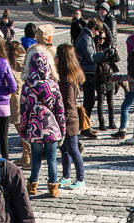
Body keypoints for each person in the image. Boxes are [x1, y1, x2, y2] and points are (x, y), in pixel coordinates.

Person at [20, 51, 66, 198]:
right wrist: (62, 129)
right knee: (52, 158)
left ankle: (33, 185)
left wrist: (23, 129)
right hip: (51, 127)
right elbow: (60, 110)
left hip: (35, 128)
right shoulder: (53, 85)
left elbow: (24, 110)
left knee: (36, 158)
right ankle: (53, 187)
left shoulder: (27, 86)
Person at [56, 43, 86, 190]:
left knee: (73, 148)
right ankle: (66, 175)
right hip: (69, 117)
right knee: (64, 149)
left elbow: (67, 103)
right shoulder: (68, 75)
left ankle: (80, 177)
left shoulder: (67, 79)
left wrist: (63, 121)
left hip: (69, 119)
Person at [76, 18, 105, 139]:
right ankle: (84, 127)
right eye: (97, 31)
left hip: (88, 71)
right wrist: (104, 54)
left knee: (90, 99)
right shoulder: (85, 38)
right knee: (89, 100)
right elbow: (91, 57)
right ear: (94, 28)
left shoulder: (86, 37)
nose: (97, 34)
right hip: (86, 71)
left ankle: (86, 125)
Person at [6, 41, 30, 169]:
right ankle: (26, 156)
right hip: (26, 98)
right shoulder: (27, 60)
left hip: (16, 100)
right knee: (24, 130)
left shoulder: (10, 64)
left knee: (22, 131)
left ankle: (29, 157)